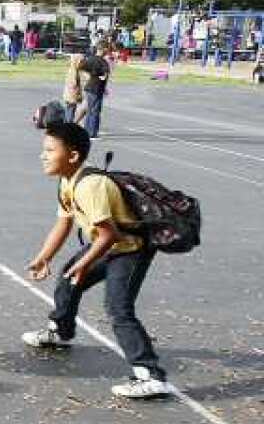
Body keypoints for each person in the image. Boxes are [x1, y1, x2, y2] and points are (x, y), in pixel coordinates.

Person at [23, 122, 169, 399]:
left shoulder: (90, 185)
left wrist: (85, 262)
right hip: (108, 246)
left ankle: (150, 375)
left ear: (73, 156)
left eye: (50, 150)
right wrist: (43, 258)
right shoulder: (68, 181)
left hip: (130, 250)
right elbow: (64, 224)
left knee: (118, 308)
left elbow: (109, 235)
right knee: (68, 278)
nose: (42, 155)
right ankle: (61, 331)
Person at [78, 48, 110, 139]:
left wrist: (87, 75)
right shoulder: (103, 62)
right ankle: (92, 133)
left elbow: (80, 67)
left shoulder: (91, 59)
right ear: (103, 50)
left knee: (90, 110)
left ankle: (87, 130)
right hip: (96, 88)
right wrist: (103, 79)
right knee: (95, 111)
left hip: (89, 87)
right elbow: (105, 75)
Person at [62, 54, 85, 123]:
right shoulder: (73, 71)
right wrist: (78, 93)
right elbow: (73, 84)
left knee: (70, 109)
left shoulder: (74, 69)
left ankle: (67, 124)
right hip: (71, 95)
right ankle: (68, 125)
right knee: (70, 110)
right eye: (81, 62)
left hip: (70, 94)